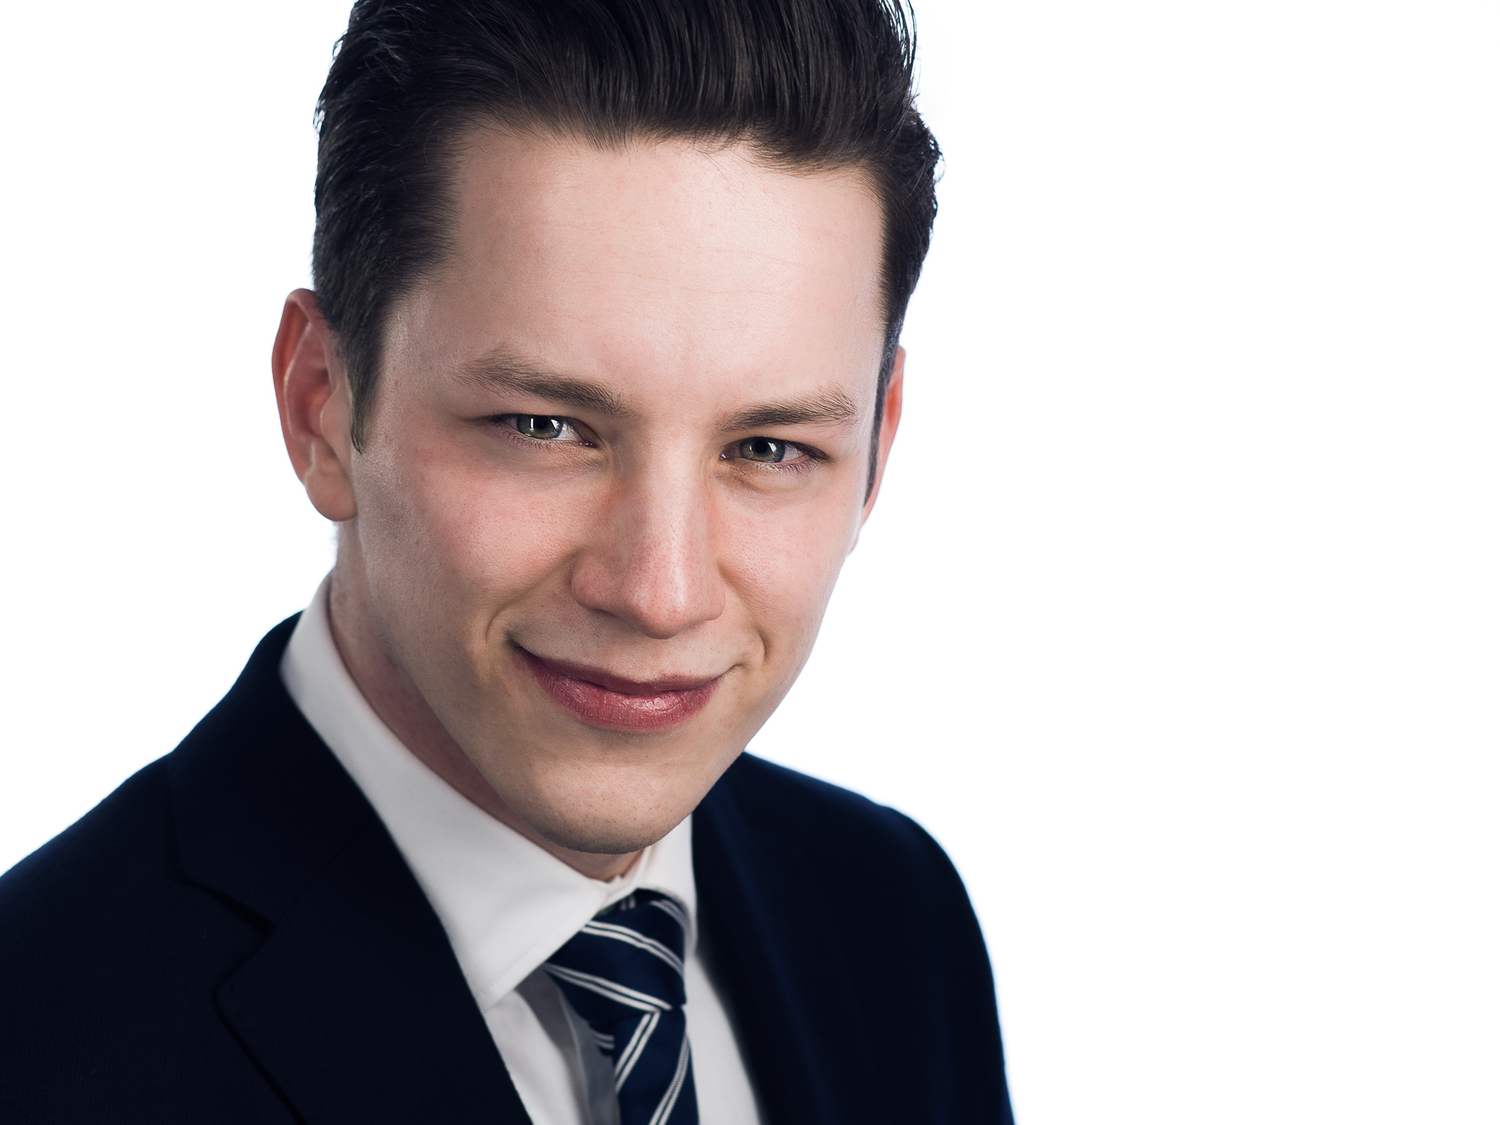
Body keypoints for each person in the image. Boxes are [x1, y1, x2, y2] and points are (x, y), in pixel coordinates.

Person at [0, 1, 1012, 1121]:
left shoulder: (893, 920)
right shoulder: (36, 1043)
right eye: (545, 428)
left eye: (769, 448)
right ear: (322, 408)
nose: (660, 592)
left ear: (877, 449)